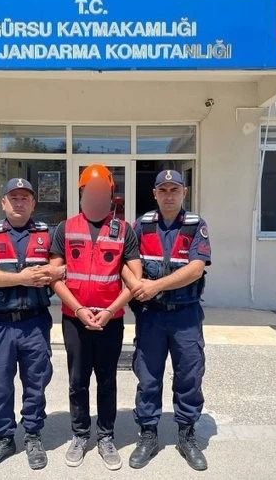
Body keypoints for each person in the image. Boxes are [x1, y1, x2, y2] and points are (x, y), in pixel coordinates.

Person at [0, 178, 64, 472]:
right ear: (4, 203)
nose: (19, 202)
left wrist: (51, 271)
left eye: (25, 198)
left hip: (34, 323)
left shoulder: (46, 234)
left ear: (33, 203)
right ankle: (4, 438)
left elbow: (62, 266)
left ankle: (33, 435)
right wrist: (20, 278)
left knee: (36, 382)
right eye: (14, 198)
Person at [49, 164, 142, 471]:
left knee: (106, 380)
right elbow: (54, 276)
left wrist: (110, 310)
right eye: (91, 191)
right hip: (74, 320)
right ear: (81, 193)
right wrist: (78, 309)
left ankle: (105, 436)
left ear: (111, 195)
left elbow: (135, 280)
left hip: (109, 321)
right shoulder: (65, 228)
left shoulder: (124, 230)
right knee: (77, 381)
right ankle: (79, 435)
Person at [127, 169, 211, 472]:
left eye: (174, 189)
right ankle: (148, 434)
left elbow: (196, 269)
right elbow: (125, 260)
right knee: (148, 376)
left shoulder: (195, 225)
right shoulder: (141, 225)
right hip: (151, 316)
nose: (169, 195)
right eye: (163, 190)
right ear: (154, 194)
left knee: (189, 375)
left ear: (184, 192)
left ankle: (187, 435)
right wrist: (137, 286)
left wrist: (155, 286)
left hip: (185, 316)